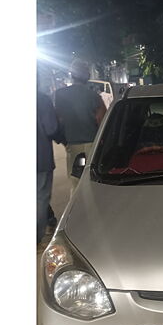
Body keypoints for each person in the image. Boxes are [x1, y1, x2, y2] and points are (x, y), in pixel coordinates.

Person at [54, 59, 107, 195]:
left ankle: (76, 210)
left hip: (72, 144)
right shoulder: (94, 96)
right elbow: (102, 121)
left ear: (71, 75)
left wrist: (64, 140)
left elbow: (58, 120)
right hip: (92, 144)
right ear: (87, 76)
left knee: (75, 181)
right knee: (92, 179)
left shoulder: (60, 95)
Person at [37, 86, 63, 244]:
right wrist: (63, 139)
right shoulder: (41, 100)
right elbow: (51, 128)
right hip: (40, 158)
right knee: (40, 198)